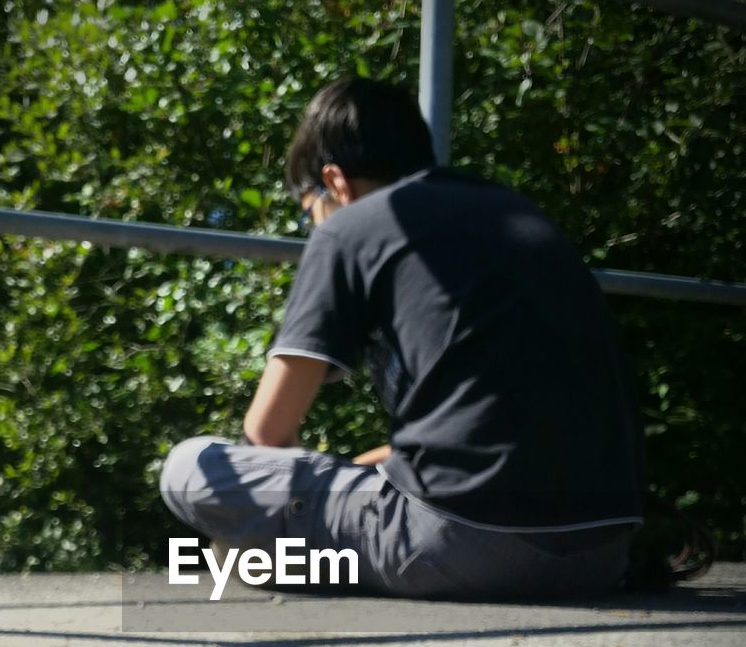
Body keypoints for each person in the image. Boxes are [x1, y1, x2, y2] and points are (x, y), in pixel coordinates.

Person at [160, 75, 643, 600]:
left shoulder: (353, 226)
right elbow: (487, 426)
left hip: (462, 548)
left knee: (190, 467)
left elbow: (267, 435)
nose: (315, 230)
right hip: (601, 553)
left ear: (335, 183)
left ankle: (261, 561)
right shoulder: (513, 211)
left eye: (310, 213)